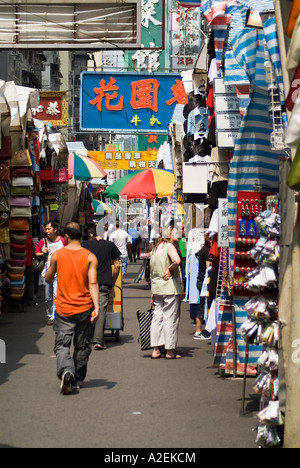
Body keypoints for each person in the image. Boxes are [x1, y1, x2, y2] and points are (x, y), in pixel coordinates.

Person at [45, 221, 99, 395]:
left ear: (66, 236)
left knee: (62, 345)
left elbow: (48, 278)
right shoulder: (90, 256)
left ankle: (67, 370)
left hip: (63, 308)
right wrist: (97, 307)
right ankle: (76, 380)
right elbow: (93, 284)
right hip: (85, 308)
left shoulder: (58, 255)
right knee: (82, 346)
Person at [82, 224, 121, 350]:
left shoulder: (85, 245)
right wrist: (113, 281)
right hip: (104, 282)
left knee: (87, 309)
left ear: (91, 234)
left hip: (87, 282)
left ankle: (86, 337)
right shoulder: (109, 245)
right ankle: (98, 340)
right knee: (101, 309)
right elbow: (118, 265)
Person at [150, 228, 184, 360]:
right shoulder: (169, 246)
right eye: (176, 232)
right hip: (169, 287)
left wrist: (152, 291)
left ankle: (155, 349)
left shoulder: (156, 248)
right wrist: (170, 269)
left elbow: (152, 271)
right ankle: (170, 351)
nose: (179, 235)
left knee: (157, 318)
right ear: (168, 235)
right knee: (170, 318)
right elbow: (177, 260)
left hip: (158, 288)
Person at [35, 220, 65, 325]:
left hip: (59, 273)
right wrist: (42, 253)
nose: (46, 231)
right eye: (45, 229)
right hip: (46, 273)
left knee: (56, 295)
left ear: (55, 230)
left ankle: (55, 317)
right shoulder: (43, 241)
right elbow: (36, 253)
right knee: (48, 297)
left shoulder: (62, 241)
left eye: (48, 229)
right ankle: (49, 315)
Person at [194, 233, 212, 340]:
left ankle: (200, 330)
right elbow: (208, 267)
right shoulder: (207, 251)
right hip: (204, 281)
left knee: (203, 305)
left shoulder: (203, 249)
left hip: (200, 280)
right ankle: (198, 331)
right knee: (202, 306)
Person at [23, 232, 37, 307]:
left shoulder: (14, 236)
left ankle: (22, 301)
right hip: (28, 262)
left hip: (17, 263)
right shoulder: (29, 237)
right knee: (29, 282)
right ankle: (31, 301)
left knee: (19, 283)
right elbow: (32, 250)